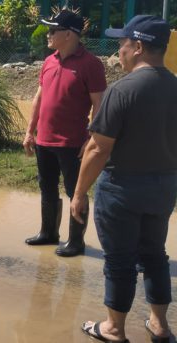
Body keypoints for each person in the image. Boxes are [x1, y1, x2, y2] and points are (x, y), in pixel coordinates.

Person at [70, 15, 177, 343]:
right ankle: (160, 325)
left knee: (119, 259)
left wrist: (78, 193)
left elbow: (97, 150)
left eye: (123, 43)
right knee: (155, 254)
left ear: (139, 46)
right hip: (163, 187)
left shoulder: (122, 90)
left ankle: (114, 328)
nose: (119, 50)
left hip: (122, 189)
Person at [23, 9, 106, 257]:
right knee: (46, 187)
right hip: (44, 140)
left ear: (69, 34)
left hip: (72, 143)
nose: (47, 34)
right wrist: (30, 131)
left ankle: (76, 242)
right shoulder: (49, 61)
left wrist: (92, 138)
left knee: (75, 191)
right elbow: (39, 99)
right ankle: (49, 233)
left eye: (52, 30)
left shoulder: (91, 65)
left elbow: (99, 105)